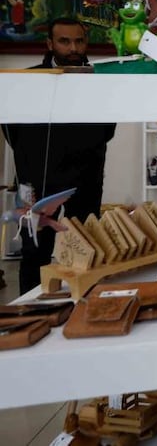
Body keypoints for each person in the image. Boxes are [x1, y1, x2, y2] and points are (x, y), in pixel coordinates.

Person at [2, 17, 116, 293]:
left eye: (79, 40)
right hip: (35, 177)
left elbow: (109, 127)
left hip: (86, 175)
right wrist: (32, 155)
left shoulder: (101, 80)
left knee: (87, 245)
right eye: (65, 41)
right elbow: (10, 129)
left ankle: (85, 304)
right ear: (50, 43)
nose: (73, 47)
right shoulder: (29, 80)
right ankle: (30, 310)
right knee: (35, 250)